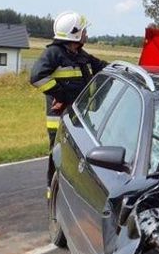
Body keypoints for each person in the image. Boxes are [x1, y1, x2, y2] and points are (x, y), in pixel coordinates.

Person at [30, 11, 107, 190]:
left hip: (79, 118)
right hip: (59, 120)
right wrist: (60, 95)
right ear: (75, 34)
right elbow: (36, 77)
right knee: (58, 157)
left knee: (77, 159)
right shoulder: (53, 54)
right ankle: (53, 196)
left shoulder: (80, 54)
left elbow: (101, 67)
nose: (86, 34)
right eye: (84, 31)